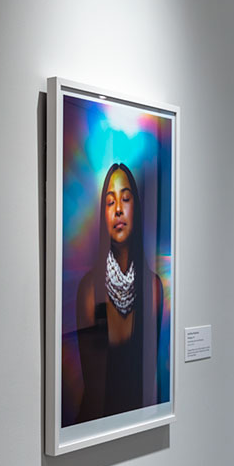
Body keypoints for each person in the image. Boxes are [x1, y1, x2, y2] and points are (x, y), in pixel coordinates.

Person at [73, 163, 164, 424]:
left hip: (142, 428)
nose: (119, 210)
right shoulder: (89, 290)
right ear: (103, 214)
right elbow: (93, 392)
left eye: (125, 198)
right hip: (96, 432)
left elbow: (150, 380)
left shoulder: (153, 288)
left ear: (137, 207)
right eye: (110, 202)